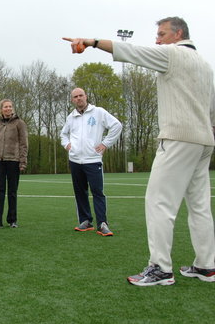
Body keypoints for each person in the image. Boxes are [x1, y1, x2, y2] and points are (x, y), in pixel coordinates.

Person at [63, 16, 215, 286]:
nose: (157, 39)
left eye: (162, 33)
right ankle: (206, 266)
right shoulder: (205, 65)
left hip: (178, 139)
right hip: (204, 141)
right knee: (200, 206)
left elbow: (132, 52)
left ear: (178, 33)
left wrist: (92, 42)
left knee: (158, 202)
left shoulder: (172, 54)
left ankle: (160, 269)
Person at [60, 88, 122, 236]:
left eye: (81, 95)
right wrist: (67, 144)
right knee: (80, 192)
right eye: (75, 97)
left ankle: (102, 224)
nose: (79, 98)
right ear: (72, 100)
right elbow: (63, 134)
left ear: (86, 97)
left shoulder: (98, 112)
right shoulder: (71, 117)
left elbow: (117, 125)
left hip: (93, 160)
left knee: (97, 192)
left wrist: (105, 143)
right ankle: (85, 221)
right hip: (75, 160)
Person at [0, 99, 28, 229]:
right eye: (5, 107)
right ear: (1, 109)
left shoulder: (19, 123)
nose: (8, 109)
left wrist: (23, 161)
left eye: (10, 106)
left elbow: (24, 143)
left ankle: (12, 220)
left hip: (14, 161)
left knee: (12, 191)